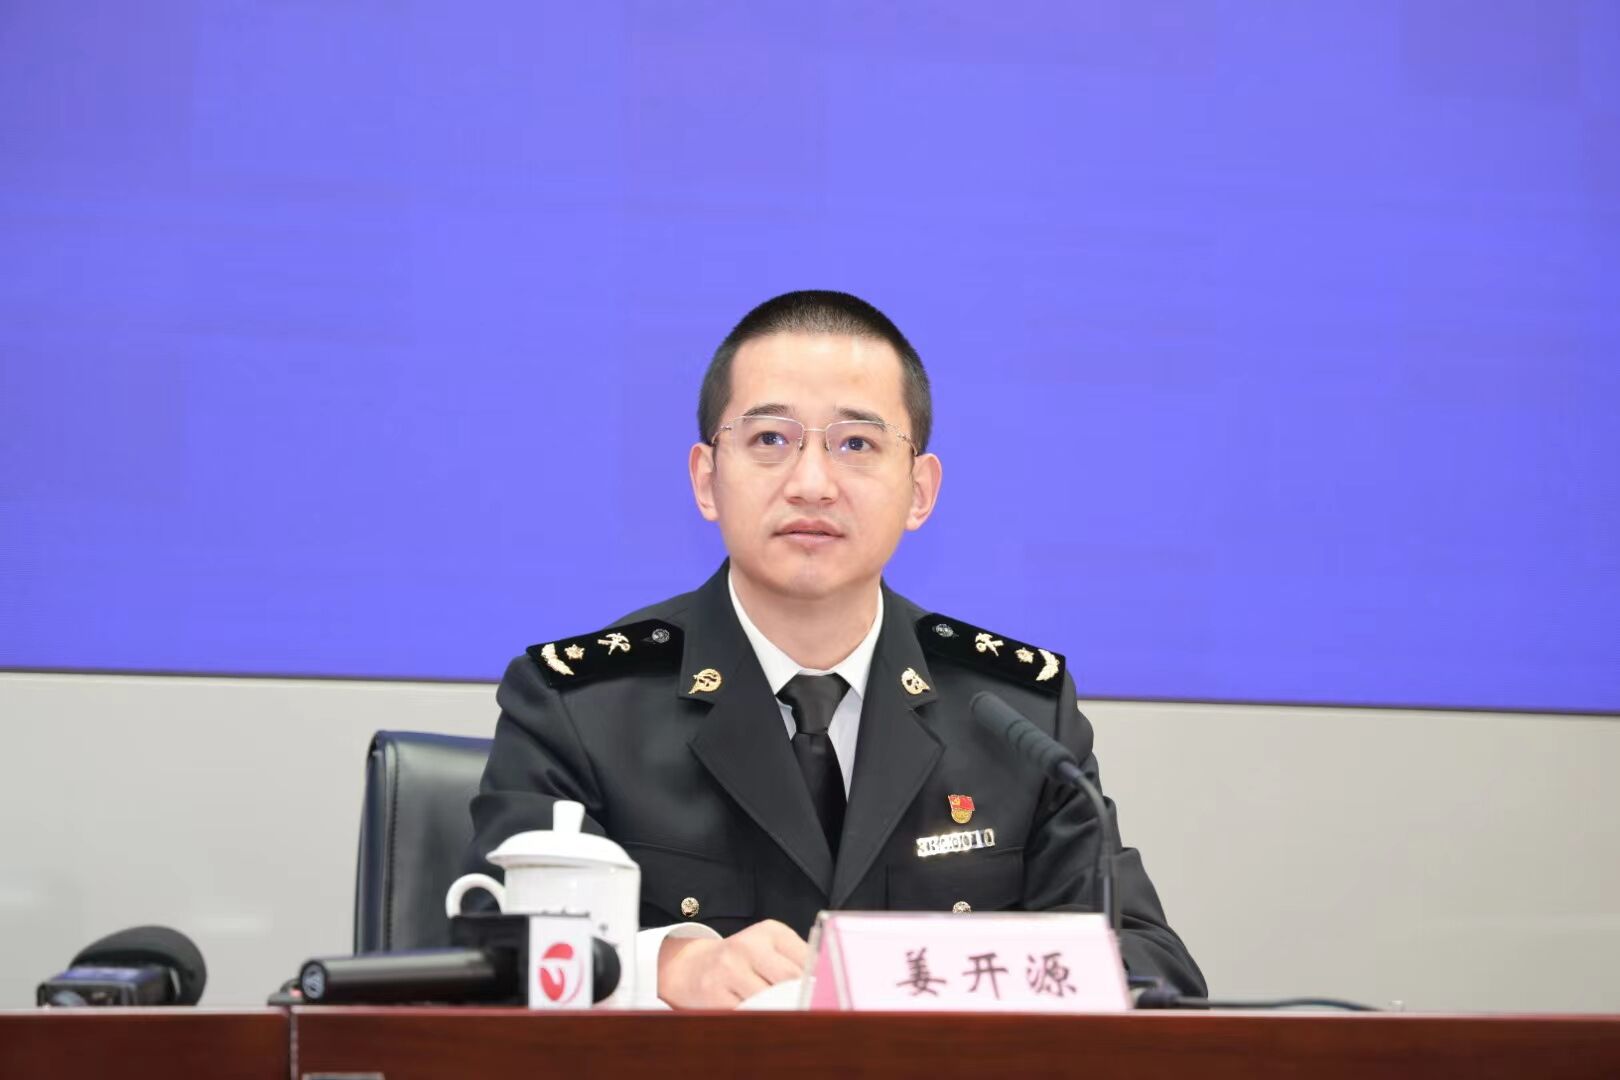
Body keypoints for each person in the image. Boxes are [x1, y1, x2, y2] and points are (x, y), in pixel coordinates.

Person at [464, 290, 1205, 1007]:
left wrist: (944, 978)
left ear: (920, 490)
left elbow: (1151, 966)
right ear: (706, 480)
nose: (812, 483)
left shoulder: (1015, 717)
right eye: (769, 440)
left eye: (856, 444)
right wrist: (664, 965)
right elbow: (489, 956)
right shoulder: (579, 707)